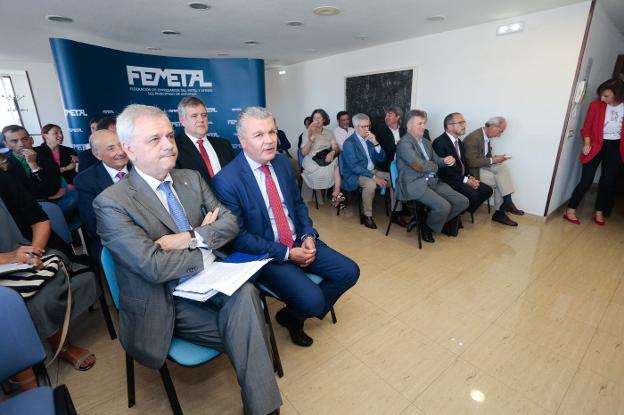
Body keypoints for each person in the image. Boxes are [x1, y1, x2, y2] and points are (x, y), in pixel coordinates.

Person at [93, 104, 281, 415]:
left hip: (215, 283)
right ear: (129, 149)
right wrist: (208, 240)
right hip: (165, 300)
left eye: (170, 135)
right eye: (155, 139)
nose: (168, 144)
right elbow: (154, 267)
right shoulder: (112, 203)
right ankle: (265, 409)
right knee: (249, 324)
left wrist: (191, 238)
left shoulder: (190, 178)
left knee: (246, 297)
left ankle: (261, 409)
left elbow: (231, 222)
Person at [211, 106, 359, 348]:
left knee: (350, 271)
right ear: (242, 140)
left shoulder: (282, 164)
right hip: (266, 254)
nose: (269, 140)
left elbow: (298, 205)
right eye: (259, 135)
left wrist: (308, 234)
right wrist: (288, 254)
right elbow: (238, 237)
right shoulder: (226, 181)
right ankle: (298, 315)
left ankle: (291, 315)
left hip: (299, 239)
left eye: (272, 132)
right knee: (313, 301)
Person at [0, 171, 98, 377]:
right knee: (8, 303)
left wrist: (34, 251)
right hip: (6, 259)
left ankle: (61, 347)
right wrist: (8, 257)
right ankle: (17, 365)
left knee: (40, 295)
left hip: (30, 249)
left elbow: (40, 221)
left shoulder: (5, 180)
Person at [396, 110, 469, 242]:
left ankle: (426, 222)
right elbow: (418, 166)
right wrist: (436, 165)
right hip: (414, 184)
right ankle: (427, 227)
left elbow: (437, 160)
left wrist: (445, 160)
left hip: (432, 180)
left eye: (424, 123)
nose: (423, 126)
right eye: (419, 123)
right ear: (409, 125)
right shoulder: (404, 144)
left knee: (462, 202)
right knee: (444, 206)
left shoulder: (426, 142)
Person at [565, 78, 624, 225]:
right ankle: (570, 210)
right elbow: (587, 127)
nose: (602, 99)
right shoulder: (595, 105)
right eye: (601, 95)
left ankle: (599, 212)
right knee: (586, 180)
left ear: (617, 95)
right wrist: (587, 142)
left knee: (607, 182)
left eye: (606, 96)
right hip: (595, 145)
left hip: (616, 148)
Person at [1, 125, 78, 219]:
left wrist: (33, 165)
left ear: (31, 140)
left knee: (76, 197)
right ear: (6, 144)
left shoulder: (46, 158)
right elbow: (13, 196)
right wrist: (46, 197)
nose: (21, 144)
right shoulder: (4, 164)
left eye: (25, 139)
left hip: (52, 205)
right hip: (25, 210)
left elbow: (51, 189)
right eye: (14, 141)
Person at [74, 129, 129, 258]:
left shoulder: (142, 167)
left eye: (121, 145)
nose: (120, 152)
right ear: (97, 154)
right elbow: (94, 223)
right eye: (111, 149)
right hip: (112, 241)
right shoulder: (85, 181)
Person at [463, 116, 524, 226]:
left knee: (504, 168)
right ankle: (500, 213)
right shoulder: (473, 138)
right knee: (499, 182)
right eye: (499, 131)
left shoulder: (485, 136)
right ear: (492, 126)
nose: (499, 135)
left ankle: (507, 202)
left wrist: (495, 159)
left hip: (482, 165)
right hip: (472, 170)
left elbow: (485, 155)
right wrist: (492, 160)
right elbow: (471, 162)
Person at [433, 113, 493, 220]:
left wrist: (470, 177)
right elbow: (445, 172)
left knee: (487, 190)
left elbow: (463, 164)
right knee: (475, 195)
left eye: (464, 122)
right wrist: (466, 180)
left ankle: (458, 213)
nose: (464, 125)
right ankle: (454, 215)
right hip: (448, 180)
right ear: (450, 126)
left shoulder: (458, 142)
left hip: (460, 178)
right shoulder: (440, 142)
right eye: (460, 123)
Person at [341, 113, 390, 229]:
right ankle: (367, 215)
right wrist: (374, 177)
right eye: (364, 126)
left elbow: (382, 158)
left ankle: (396, 211)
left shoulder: (369, 139)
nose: (367, 129)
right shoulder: (349, 143)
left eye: (368, 126)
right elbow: (354, 167)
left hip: (372, 170)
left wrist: (375, 143)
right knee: (371, 184)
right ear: (356, 127)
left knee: (393, 177)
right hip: (355, 175)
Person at [175, 95, 236, 183]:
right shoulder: (175, 148)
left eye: (204, 115)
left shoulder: (224, 144)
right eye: (194, 116)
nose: (201, 119)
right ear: (182, 121)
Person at [300, 108, 345, 208]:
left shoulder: (329, 132)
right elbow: (303, 153)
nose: (317, 120)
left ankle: (336, 192)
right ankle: (336, 194)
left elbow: (335, 147)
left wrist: (332, 152)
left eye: (319, 118)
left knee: (336, 161)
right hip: (312, 160)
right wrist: (310, 141)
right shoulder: (307, 132)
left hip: (325, 157)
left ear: (324, 119)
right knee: (335, 165)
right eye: (315, 118)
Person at [375, 106, 409, 227]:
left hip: (403, 163)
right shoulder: (381, 130)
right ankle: (396, 213)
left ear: (398, 117)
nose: (386, 117)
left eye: (390, 115)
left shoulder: (404, 130)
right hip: (387, 164)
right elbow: (387, 150)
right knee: (397, 178)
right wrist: (399, 145)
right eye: (386, 115)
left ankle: (407, 204)